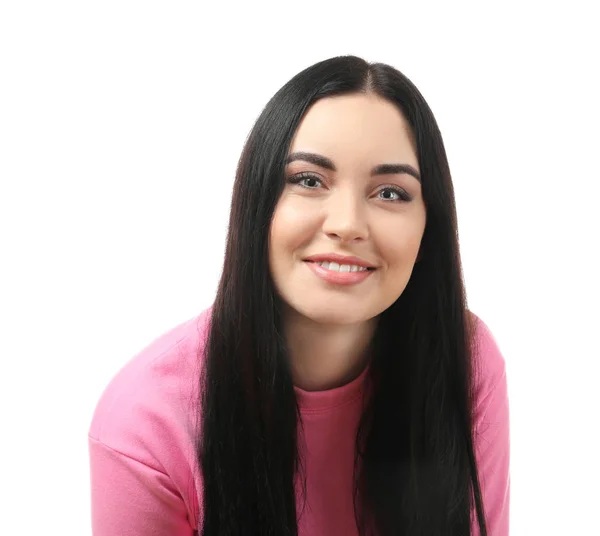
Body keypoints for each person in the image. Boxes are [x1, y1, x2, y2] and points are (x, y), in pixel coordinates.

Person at [88, 55, 510, 535]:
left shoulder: (464, 360)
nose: (348, 224)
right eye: (309, 181)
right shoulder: (146, 421)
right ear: (258, 202)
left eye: (390, 192)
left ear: (428, 226)